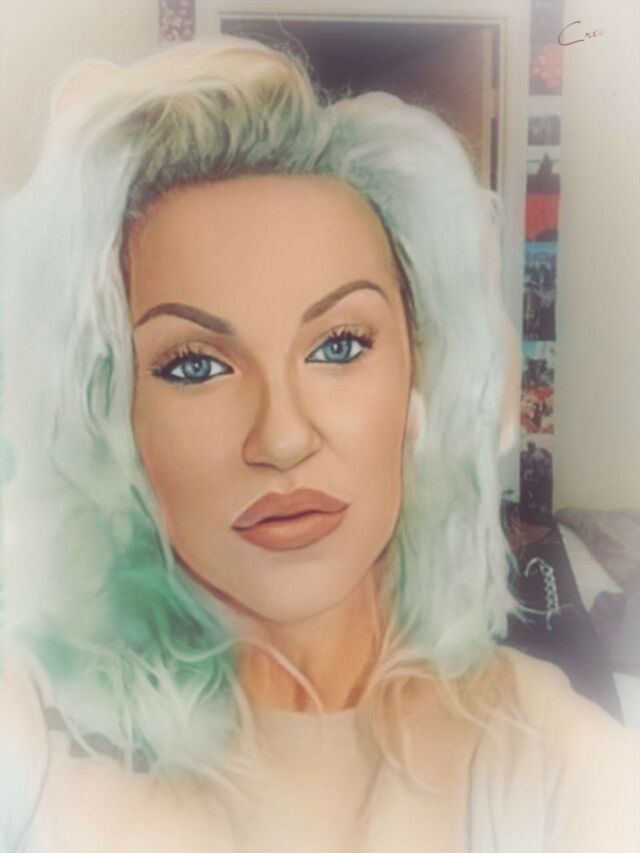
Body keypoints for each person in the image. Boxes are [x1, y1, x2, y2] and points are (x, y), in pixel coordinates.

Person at [0, 36, 637, 853]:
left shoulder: (552, 758)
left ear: (420, 375)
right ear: (114, 414)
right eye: (194, 364)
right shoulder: (40, 728)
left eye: (339, 345)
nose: (283, 436)